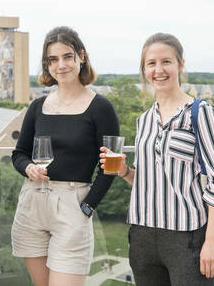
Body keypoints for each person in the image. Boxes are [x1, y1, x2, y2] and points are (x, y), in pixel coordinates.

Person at [100, 32, 214, 286]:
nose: (158, 70)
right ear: (144, 69)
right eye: (151, 63)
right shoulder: (144, 120)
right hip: (141, 237)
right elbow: (146, 181)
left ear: (180, 65)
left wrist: (211, 241)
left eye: (166, 62)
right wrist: (123, 171)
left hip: (186, 237)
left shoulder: (200, 112)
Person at [11, 26, 119, 286]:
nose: (61, 65)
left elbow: (110, 166)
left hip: (73, 206)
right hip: (32, 204)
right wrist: (29, 169)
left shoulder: (101, 108)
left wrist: (87, 206)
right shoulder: (37, 107)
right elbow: (20, 154)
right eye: (53, 59)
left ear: (81, 56)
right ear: (47, 66)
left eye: (67, 56)